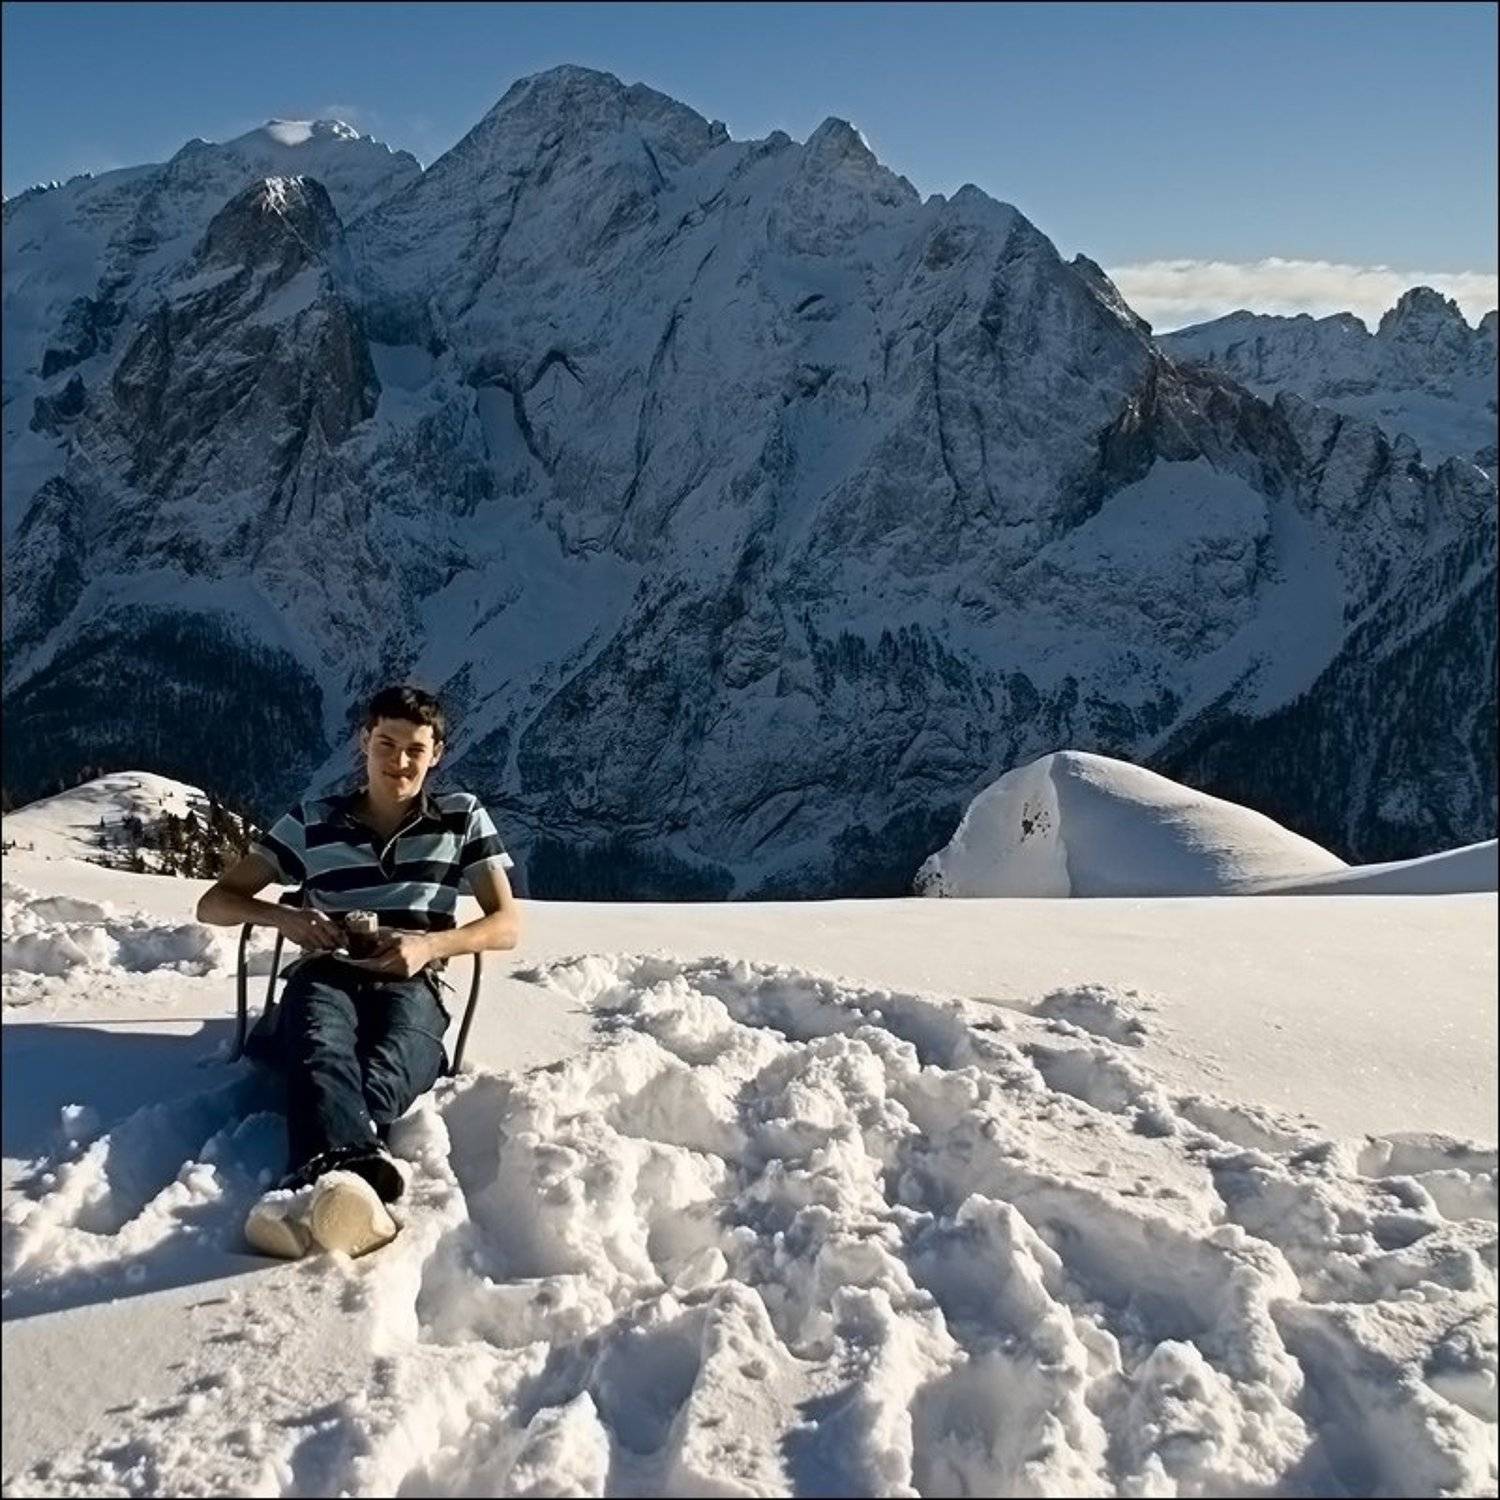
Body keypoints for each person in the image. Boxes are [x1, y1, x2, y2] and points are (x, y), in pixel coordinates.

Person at [196, 684, 520, 1258]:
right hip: (326, 968)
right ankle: (359, 1180)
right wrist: (285, 917)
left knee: (397, 1055)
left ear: (436, 754)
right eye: (386, 745)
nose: (399, 762)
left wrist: (429, 945)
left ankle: (304, 1193)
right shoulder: (312, 822)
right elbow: (215, 903)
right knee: (321, 1042)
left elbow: (506, 924)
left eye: (415, 750)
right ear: (363, 743)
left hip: (412, 976)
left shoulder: (461, 817)